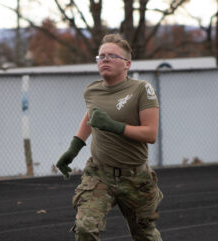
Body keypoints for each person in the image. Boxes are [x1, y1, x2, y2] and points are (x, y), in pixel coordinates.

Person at [56, 33, 163, 241]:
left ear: (127, 64)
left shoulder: (142, 89)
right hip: (99, 174)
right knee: (85, 229)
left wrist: (113, 126)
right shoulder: (92, 91)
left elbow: (150, 134)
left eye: (112, 56)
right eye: (101, 56)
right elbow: (91, 116)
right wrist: (73, 149)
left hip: (135, 177)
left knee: (145, 234)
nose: (105, 59)